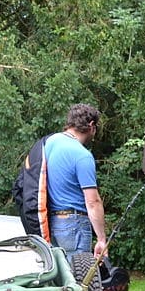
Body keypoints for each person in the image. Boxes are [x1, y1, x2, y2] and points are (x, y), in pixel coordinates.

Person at [42, 103, 107, 258]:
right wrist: (101, 239)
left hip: (51, 223)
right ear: (91, 126)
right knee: (78, 277)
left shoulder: (49, 143)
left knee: (60, 278)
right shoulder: (82, 155)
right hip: (75, 225)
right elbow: (93, 202)